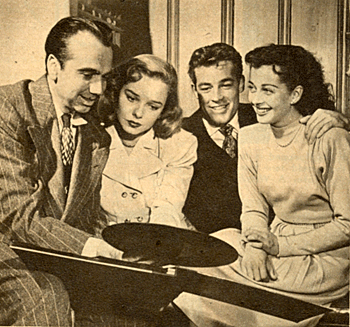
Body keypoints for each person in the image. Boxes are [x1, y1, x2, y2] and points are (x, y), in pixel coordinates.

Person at [174, 44, 350, 327]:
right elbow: (253, 208)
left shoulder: (329, 136)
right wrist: (256, 246)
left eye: (267, 90)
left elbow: (348, 224)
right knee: (224, 240)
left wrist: (278, 246)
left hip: (323, 258)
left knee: (197, 275)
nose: (255, 99)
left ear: (295, 94)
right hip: (268, 243)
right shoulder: (251, 136)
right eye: (253, 89)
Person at [0, 16, 122, 325]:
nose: (98, 89)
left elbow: (85, 219)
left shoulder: (96, 136)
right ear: (54, 66)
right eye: (87, 74)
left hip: (53, 255)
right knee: (47, 297)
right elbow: (17, 216)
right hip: (6, 250)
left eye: (104, 77)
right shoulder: (8, 108)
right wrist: (91, 247)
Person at [182, 42, 350, 234]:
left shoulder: (268, 114)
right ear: (194, 90)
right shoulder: (180, 136)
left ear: (242, 84)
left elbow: (317, 127)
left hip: (284, 241)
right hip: (217, 245)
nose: (216, 97)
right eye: (206, 88)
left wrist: (342, 120)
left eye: (226, 85)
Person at [99, 54, 197, 229]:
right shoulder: (91, 136)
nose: (138, 113)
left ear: (164, 110)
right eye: (131, 98)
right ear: (116, 92)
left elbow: (168, 211)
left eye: (153, 107)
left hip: (160, 240)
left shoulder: (181, 144)